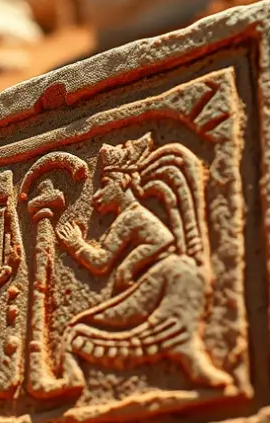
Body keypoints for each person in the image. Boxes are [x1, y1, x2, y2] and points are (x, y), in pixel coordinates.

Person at [55, 136, 232, 390]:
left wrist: (76, 244)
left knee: (78, 331)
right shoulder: (130, 216)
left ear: (124, 181)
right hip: (171, 275)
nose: (97, 196)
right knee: (81, 330)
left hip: (170, 276)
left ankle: (185, 354)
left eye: (105, 185)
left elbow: (103, 260)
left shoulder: (131, 216)